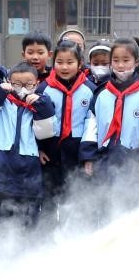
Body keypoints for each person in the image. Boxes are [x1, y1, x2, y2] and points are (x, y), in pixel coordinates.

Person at [0, 61, 58, 231]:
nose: (22, 88)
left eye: (28, 84)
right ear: (9, 82)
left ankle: (24, 254)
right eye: (17, 84)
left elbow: (46, 132)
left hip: (26, 169)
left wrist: (42, 106)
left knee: (26, 218)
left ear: (37, 84)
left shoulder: (41, 103)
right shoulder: (0, 100)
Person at [80, 37, 139, 182]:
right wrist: (88, 156)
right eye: (116, 60)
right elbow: (91, 124)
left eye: (126, 60)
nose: (120, 65)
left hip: (132, 161)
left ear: (137, 62)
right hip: (104, 159)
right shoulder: (101, 92)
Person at [42, 40, 95, 204]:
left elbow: (92, 124)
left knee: (76, 199)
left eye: (70, 62)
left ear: (80, 64)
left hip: (77, 149)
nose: (64, 67)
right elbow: (34, 121)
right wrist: (38, 149)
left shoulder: (90, 90)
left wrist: (88, 155)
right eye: (59, 62)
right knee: (49, 199)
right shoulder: (44, 88)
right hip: (50, 151)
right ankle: (48, 229)